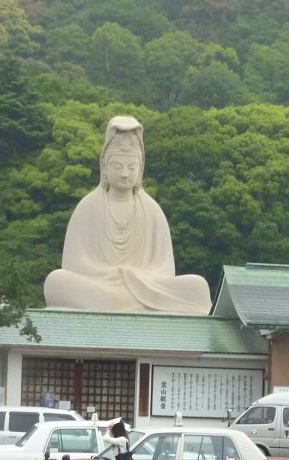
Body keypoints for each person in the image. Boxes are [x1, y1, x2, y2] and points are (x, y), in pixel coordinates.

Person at [44, 116, 212, 314]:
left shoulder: (152, 210)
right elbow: (72, 265)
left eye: (131, 167)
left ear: (140, 169)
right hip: (101, 287)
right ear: (104, 167)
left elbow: (166, 270)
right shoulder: (88, 207)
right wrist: (116, 276)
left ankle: (116, 304)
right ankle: (120, 303)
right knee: (56, 281)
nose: (125, 173)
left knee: (198, 287)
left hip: (145, 289)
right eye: (118, 166)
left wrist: (134, 278)